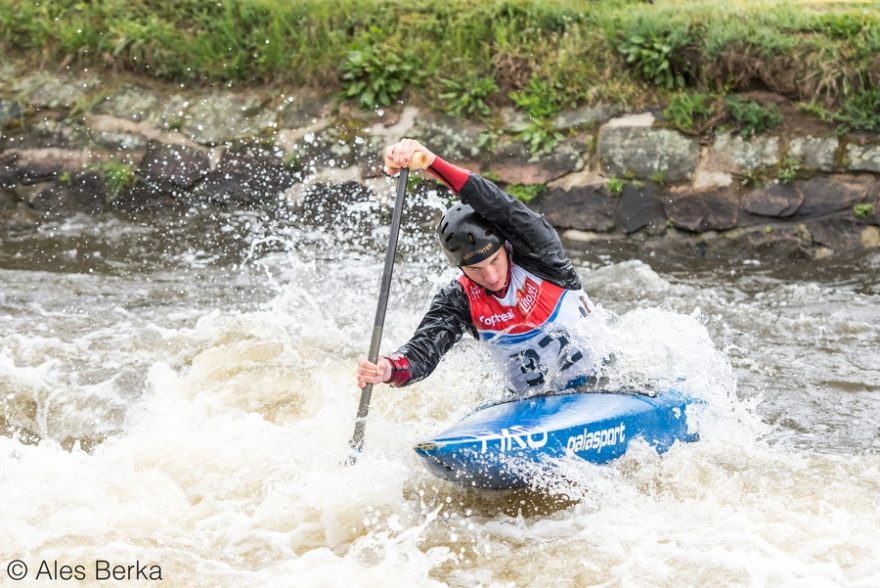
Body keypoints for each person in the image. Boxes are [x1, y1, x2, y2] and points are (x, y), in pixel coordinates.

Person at [356, 138, 597, 397]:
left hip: (601, 385)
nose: (491, 277)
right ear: (460, 268)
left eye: (494, 260)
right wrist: (389, 368)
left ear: (506, 246)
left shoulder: (540, 255)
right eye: (476, 269)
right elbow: (423, 351)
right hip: (527, 405)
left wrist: (430, 162)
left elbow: (495, 202)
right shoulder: (459, 298)